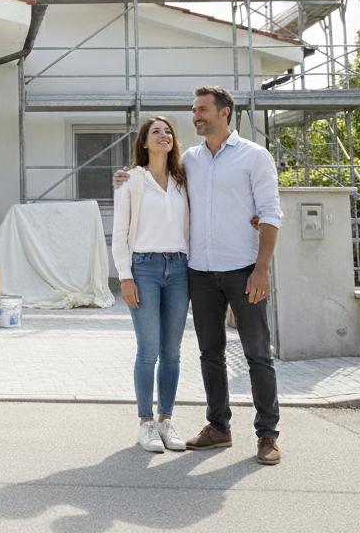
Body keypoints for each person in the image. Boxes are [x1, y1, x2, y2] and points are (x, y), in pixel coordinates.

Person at [115, 86, 284, 465]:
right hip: (200, 273)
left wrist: (262, 269)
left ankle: (267, 434)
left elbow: (271, 212)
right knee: (210, 353)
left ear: (225, 113)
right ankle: (218, 426)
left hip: (243, 270)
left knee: (258, 354)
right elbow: (147, 178)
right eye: (194, 110)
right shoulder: (188, 161)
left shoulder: (253, 156)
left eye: (203, 110)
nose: (196, 117)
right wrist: (122, 179)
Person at [112, 116, 191, 454]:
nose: (164, 135)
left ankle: (165, 420)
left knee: (171, 352)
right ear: (144, 142)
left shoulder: (183, 178)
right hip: (143, 268)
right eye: (156, 132)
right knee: (148, 351)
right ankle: (145, 424)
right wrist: (124, 276)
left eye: (168, 131)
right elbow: (119, 233)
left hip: (179, 267)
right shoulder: (130, 180)